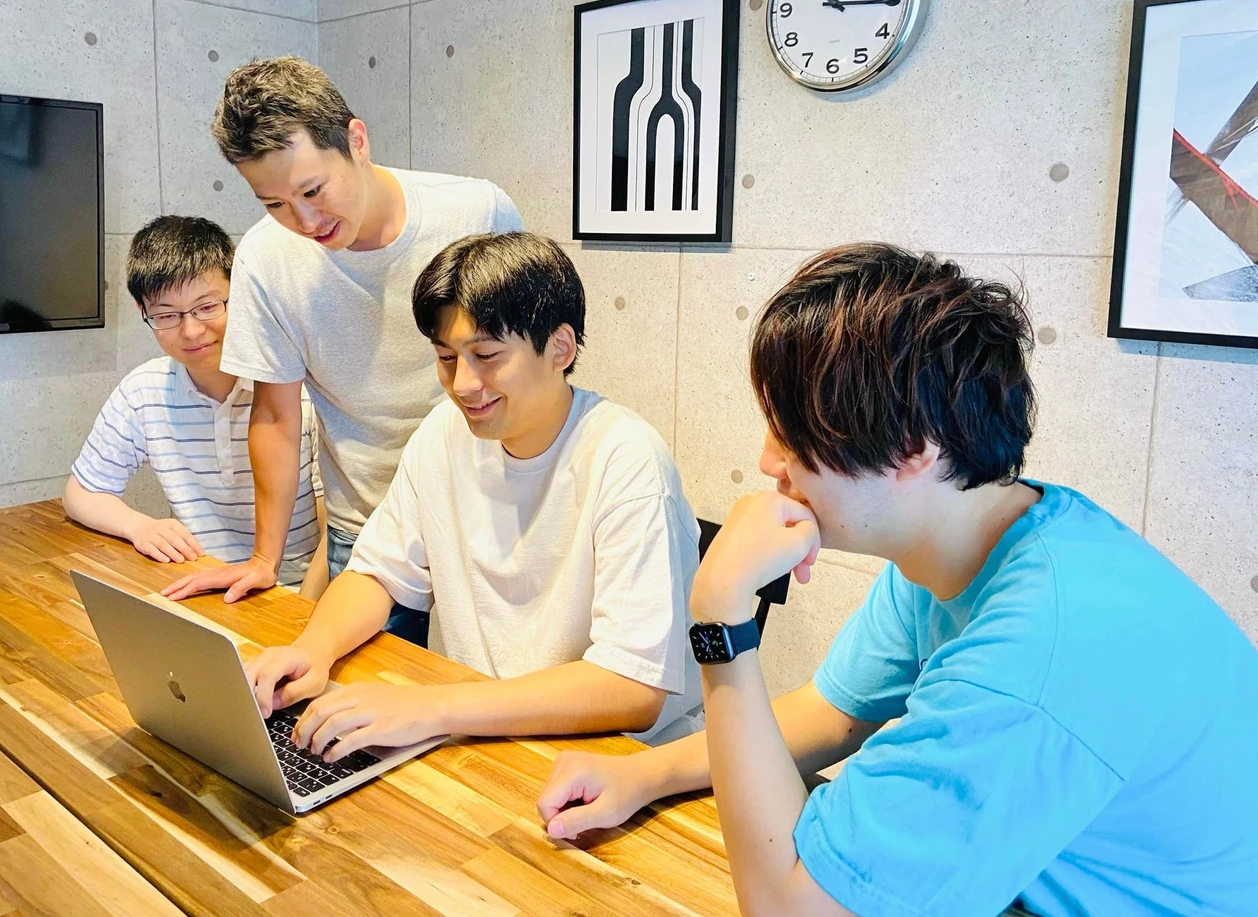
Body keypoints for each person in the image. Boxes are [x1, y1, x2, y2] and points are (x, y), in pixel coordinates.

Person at [537, 243, 1258, 917]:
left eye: (791, 433)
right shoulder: (967, 535)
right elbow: (830, 715)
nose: (767, 462)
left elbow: (790, 906)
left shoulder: (1039, 650)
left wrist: (720, 620)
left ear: (913, 447)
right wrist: (646, 774)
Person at [242, 232, 704, 757]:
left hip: (609, 757)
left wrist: (432, 708)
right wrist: (312, 649)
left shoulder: (626, 460)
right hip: (473, 732)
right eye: (446, 357)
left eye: (486, 355)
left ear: (560, 347)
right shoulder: (445, 432)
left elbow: (634, 687)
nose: (462, 383)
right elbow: (378, 572)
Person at [162, 57, 523, 639]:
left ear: (356, 140)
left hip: (489, 520)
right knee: (352, 693)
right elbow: (276, 415)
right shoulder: (265, 260)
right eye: (274, 204)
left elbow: (528, 357)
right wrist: (264, 559)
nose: (304, 220)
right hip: (366, 531)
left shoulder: (476, 212)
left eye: (312, 190)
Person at [64, 216, 325, 592]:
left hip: (293, 591)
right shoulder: (143, 392)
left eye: (207, 307)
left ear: (240, 292)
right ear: (143, 311)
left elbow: (334, 526)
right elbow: (81, 493)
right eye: (167, 315)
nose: (191, 330)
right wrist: (139, 526)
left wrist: (304, 610)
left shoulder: (297, 389)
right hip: (197, 586)